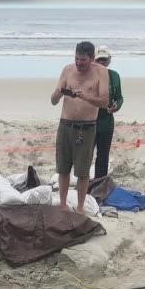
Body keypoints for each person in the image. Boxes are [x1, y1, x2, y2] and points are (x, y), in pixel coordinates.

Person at [49, 40, 112, 214]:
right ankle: (62, 204)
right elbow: (53, 101)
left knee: (82, 171)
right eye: (77, 59)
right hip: (65, 124)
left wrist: (85, 97)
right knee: (63, 168)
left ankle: (81, 206)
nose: (79, 63)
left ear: (92, 58)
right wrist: (59, 92)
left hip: (87, 127)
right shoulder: (67, 70)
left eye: (83, 60)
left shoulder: (101, 72)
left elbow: (104, 101)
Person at [91, 45, 125, 182]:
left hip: (106, 121)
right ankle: (84, 183)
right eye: (99, 60)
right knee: (85, 156)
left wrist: (116, 106)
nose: (102, 63)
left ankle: (100, 183)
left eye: (104, 60)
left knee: (103, 155)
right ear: (94, 60)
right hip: (89, 121)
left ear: (109, 60)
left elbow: (119, 97)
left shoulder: (114, 76)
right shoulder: (88, 75)